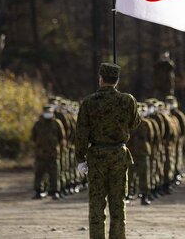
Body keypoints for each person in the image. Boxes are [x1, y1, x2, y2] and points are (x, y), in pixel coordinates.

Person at [75, 63, 140, 239]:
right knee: (118, 204)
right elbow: (135, 123)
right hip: (119, 155)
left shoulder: (89, 102)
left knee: (96, 204)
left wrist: (80, 159)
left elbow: (81, 132)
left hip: (97, 157)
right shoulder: (127, 100)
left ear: (100, 79)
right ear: (117, 81)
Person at [31, 104, 65, 200]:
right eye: (46, 112)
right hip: (40, 154)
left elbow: (62, 137)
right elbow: (33, 137)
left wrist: (59, 149)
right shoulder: (38, 124)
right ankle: (38, 191)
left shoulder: (56, 123)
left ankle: (55, 191)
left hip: (53, 153)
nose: (48, 114)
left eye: (49, 112)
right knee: (39, 173)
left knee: (55, 173)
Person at [127, 103, 153, 205]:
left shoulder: (146, 123)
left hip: (143, 151)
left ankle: (145, 195)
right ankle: (128, 194)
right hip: (131, 152)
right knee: (129, 174)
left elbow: (153, 137)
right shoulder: (128, 123)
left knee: (144, 174)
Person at [166, 95, 185, 181]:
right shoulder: (167, 114)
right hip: (171, 140)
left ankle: (178, 171)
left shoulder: (178, 114)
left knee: (178, 156)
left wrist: (180, 136)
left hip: (178, 138)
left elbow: (183, 126)